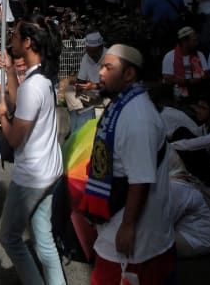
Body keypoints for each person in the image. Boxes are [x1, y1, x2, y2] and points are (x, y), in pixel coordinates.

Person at [80, 44, 174, 284]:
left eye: (108, 68)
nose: (100, 73)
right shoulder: (124, 105)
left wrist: (128, 225)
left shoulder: (138, 117)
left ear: (129, 74)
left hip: (135, 238)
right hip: (119, 225)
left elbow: (141, 178)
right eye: (101, 67)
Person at [0, 14, 65, 284]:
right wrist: (11, 70)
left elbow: (13, 139)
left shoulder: (34, 86)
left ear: (27, 42)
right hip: (50, 170)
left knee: (9, 238)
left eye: (14, 35)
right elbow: (20, 99)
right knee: (43, 238)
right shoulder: (44, 79)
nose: (11, 38)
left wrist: (2, 115)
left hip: (32, 176)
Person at [64, 31, 105, 133]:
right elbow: (81, 80)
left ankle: (83, 117)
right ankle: (80, 113)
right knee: (69, 90)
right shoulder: (86, 58)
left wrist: (94, 86)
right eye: (89, 52)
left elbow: (113, 84)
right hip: (90, 95)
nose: (91, 55)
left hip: (105, 94)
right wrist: (78, 86)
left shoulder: (109, 57)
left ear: (101, 47)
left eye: (94, 52)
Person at [169, 177, 210, 258]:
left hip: (199, 239)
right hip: (197, 234)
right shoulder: (176, 184)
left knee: (153, 240)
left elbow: (166, 222)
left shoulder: (177, 186)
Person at [161, 26, 210, 101]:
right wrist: (188, 81)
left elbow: (206, 72)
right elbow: (168, 79)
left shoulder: (199, 54)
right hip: (178, 89)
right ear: (184, 41)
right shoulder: (169, 56)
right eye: (194, 41)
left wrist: (204, 76)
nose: (196, 43)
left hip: (197, 87)